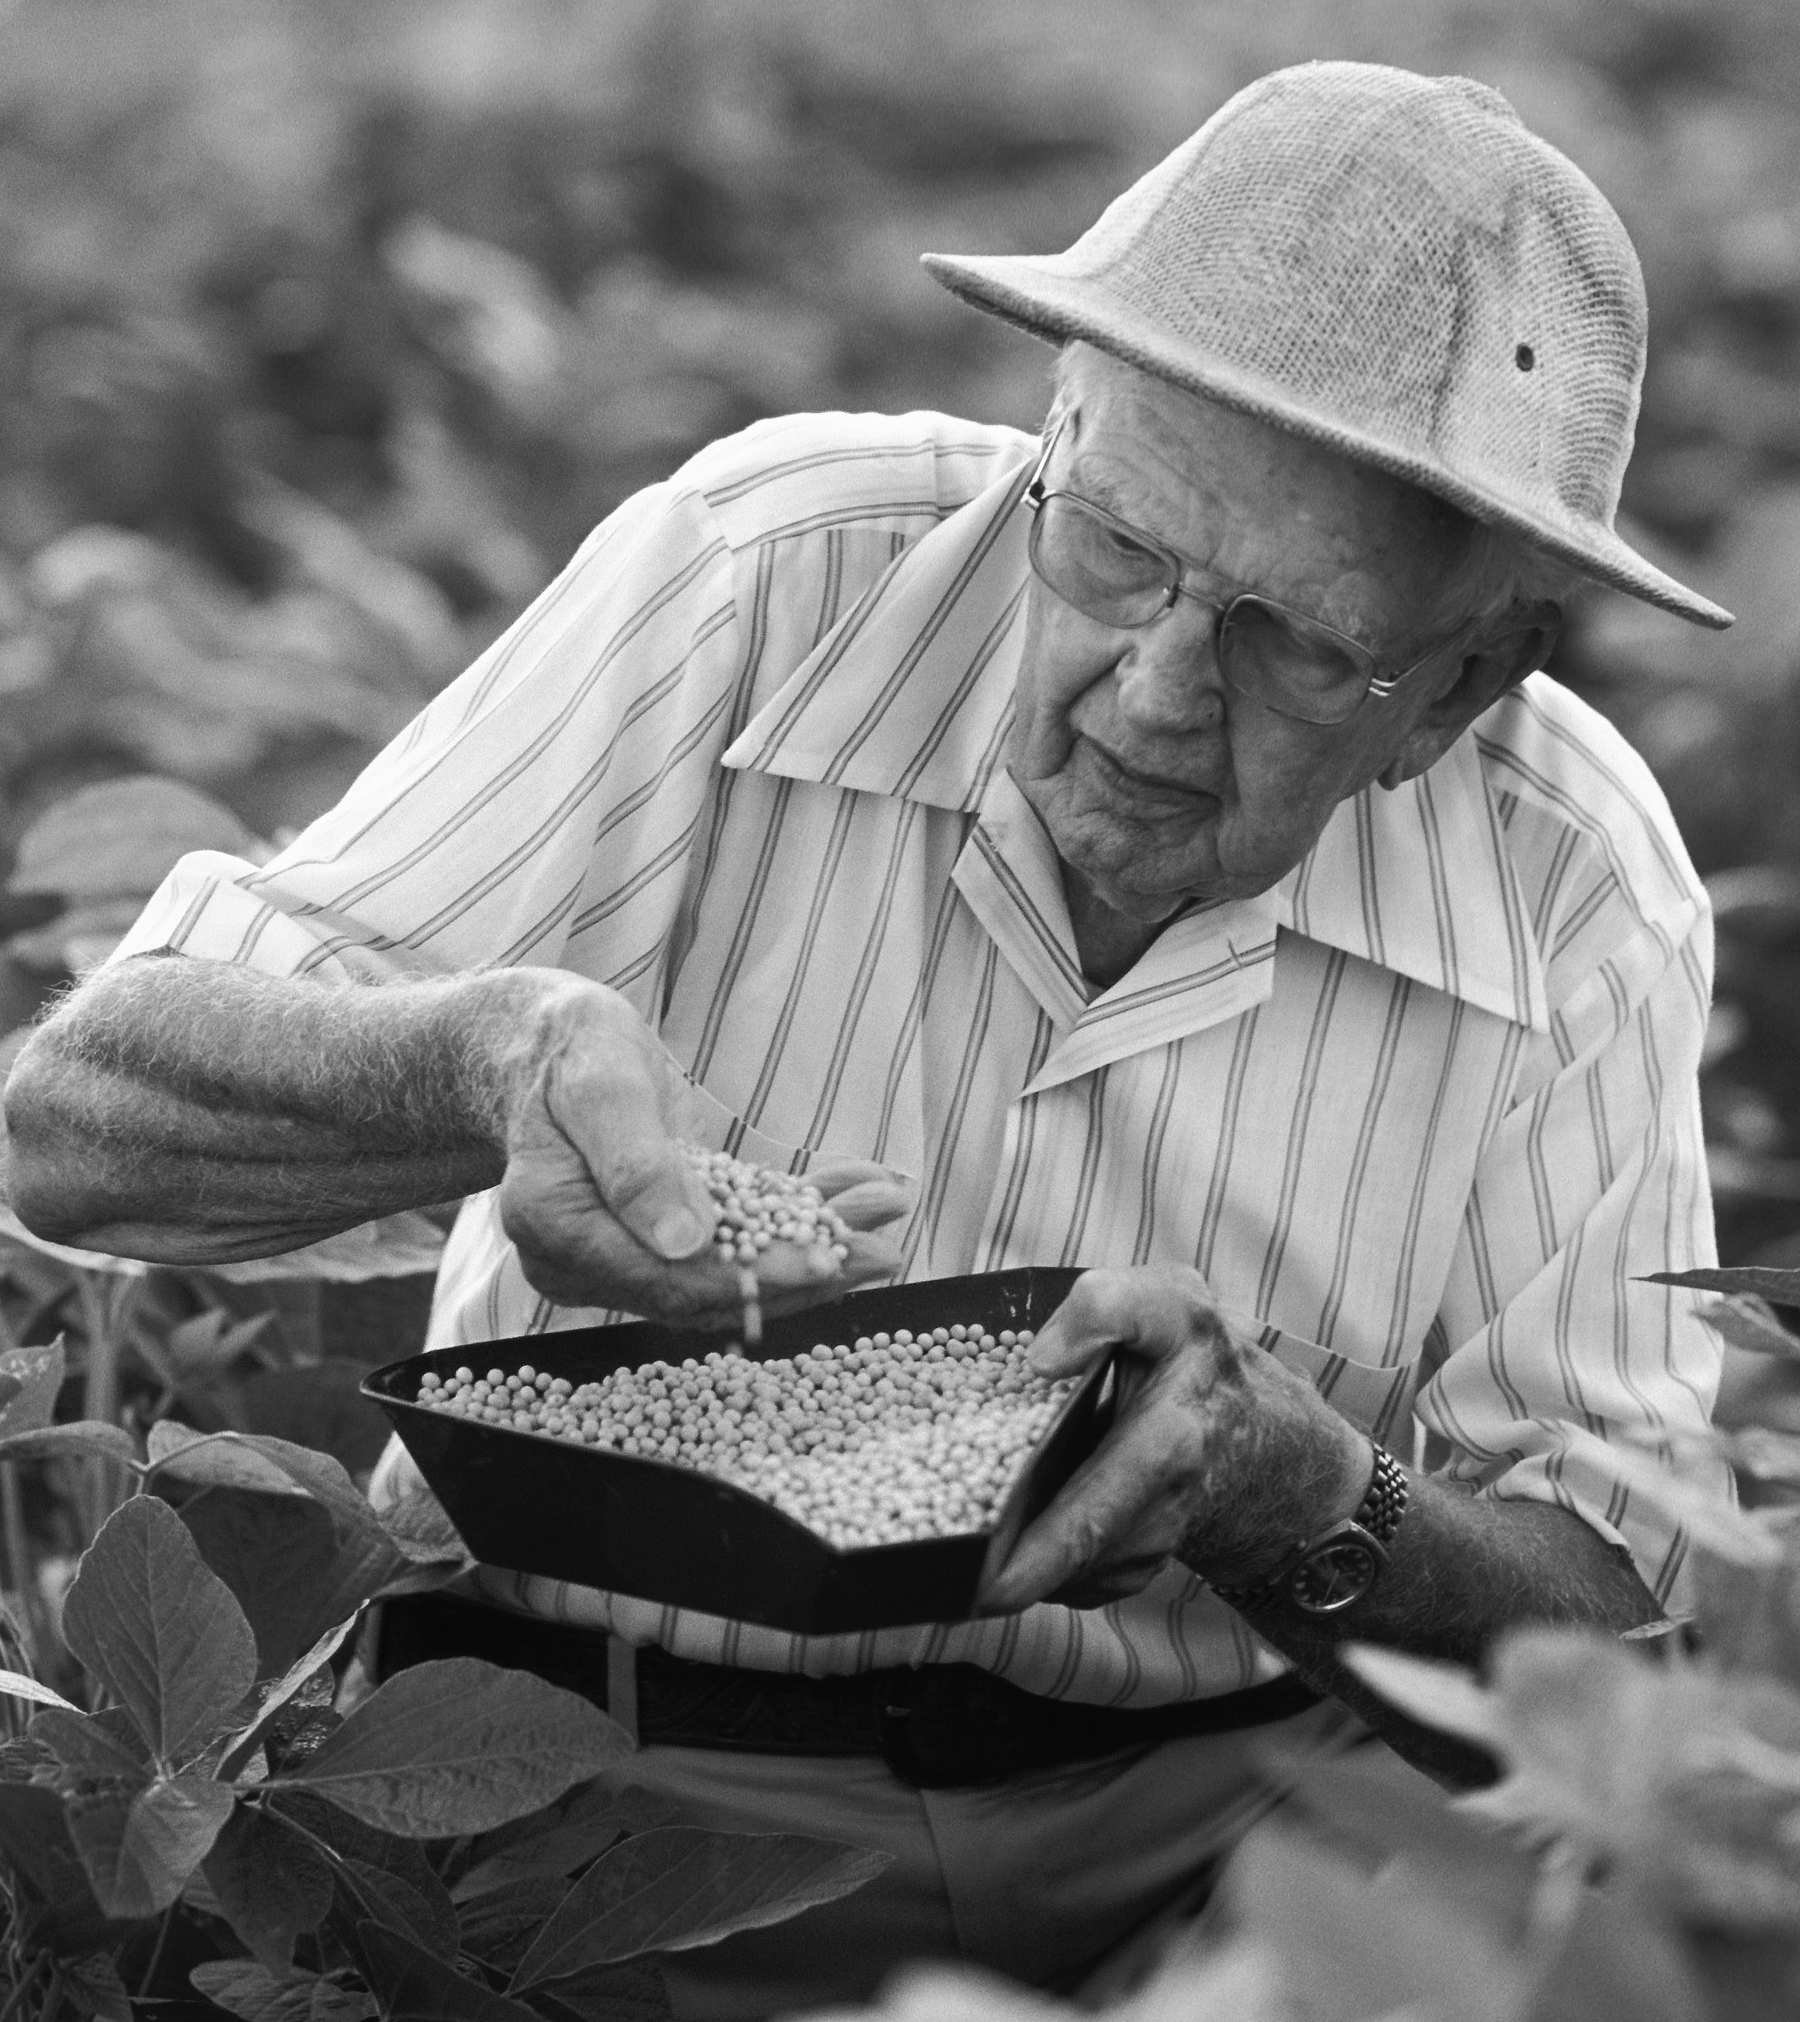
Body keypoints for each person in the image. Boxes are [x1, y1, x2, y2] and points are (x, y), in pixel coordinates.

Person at [1, 58, 1738, 2019]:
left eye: (1290, 635)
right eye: (1118, 551)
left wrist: (1309, 1494)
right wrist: (487, 1063)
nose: (1159, 692)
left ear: (1461, 687)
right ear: (1053, 431)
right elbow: (71, 1127)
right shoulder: (762, 576)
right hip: (599, 1779)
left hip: (1224, 1852)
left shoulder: (1581, 886)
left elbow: (1628, 1638)